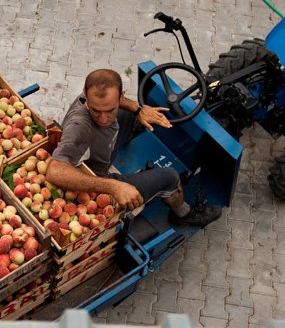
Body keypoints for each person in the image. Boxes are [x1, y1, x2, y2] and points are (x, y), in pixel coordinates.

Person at [45, 68, 222, 226]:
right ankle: (183, 214)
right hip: (96, 179)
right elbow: (54, 171)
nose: (104, 119)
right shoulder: (79, 127)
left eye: (109, 110)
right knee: (170, 176)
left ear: (121, 95)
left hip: (99, 153)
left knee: (127, 114)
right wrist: (113, 187)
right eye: (96, 111)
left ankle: (129, 129)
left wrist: (139, 109)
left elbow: (119, 104)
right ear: (86, 95)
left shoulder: (97, 99)